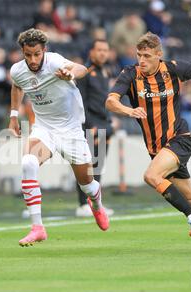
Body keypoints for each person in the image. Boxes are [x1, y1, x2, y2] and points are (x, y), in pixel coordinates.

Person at [105, 32, 191, 251]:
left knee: (151, 176)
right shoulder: (130, 74)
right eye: (139, 55)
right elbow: (111, 101)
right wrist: (128, 110)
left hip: (179, 139)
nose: (142, 60)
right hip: (158, 149)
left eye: (147, 56)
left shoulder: (173, 69)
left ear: (159, 55)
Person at [9, 28, 109, 246]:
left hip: (71, 130)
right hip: (44, 129)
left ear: (44, 50)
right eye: (28, 55)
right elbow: (17, 86)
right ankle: (37, 228)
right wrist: (14, 115)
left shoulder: (54, 62)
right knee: (27, 162)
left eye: (36, 54)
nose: (33, 60)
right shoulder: (17, 70)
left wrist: (70, 74)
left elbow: (81, 68)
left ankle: (97, 204)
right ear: (23, 52)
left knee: (87, 184)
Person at [75, 39, 116, 217]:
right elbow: (81, 102)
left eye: (105, 50)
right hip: (91, 125)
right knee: (87, 167)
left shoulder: (106, 71)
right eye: (99, 50)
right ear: (91, 52)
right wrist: (89, 125)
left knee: (99, 167)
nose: (102, 53)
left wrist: (110, 120)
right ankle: (83, 204)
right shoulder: (85, 72)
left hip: (104, 124)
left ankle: (96, 204)